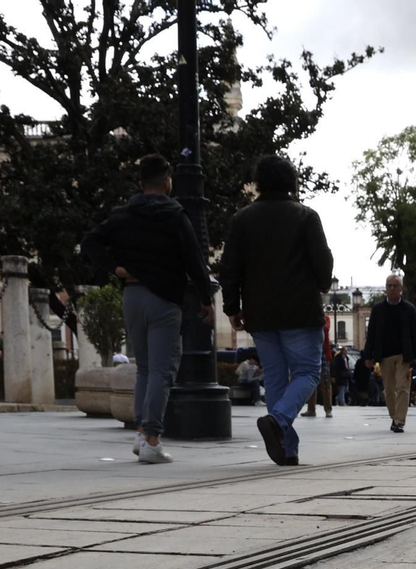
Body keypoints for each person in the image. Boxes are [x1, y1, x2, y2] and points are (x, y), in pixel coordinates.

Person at [80, 153, 215, 465]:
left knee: (143, 367)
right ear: (167, 182)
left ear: (140, 184)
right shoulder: (176, 215)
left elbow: (90, 243)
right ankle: (152, 438)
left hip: (132, 296)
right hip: (164, 300)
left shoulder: (121, 215)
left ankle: (141, 434)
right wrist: (205, 299)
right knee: (162, 370)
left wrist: (116, 268)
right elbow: (195, 261)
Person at [218, 155, 333, 467]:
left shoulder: (243, 219)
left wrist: (232, 306)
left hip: (261, 314)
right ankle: (278, 420)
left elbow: (230, 267)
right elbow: (322, 264)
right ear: (291, 183)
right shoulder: (306, 216)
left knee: (278, 380)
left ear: (259, 183)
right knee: (308, 373)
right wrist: (323, 282)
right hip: (300, 310)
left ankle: (287, 448)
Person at [364, 273, 416, 433]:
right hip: (384, 355)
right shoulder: (378, 309)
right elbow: (372, 334)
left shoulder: (409, 309)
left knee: (403, 387)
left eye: (395, 285)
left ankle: (399, 421)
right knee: (389, 390)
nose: (392, 288)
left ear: (401, 289)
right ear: (386, 288)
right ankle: (394, 416)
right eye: (389, 285)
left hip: (404, 356)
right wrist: (368, 356)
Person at [304, 315, 334, 418]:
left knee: (325, 382)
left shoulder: (325, 318)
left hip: (323, 354)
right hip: (312, 354)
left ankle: (328, 409)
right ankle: (311, 409)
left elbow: (325, 328)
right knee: (311, 382)